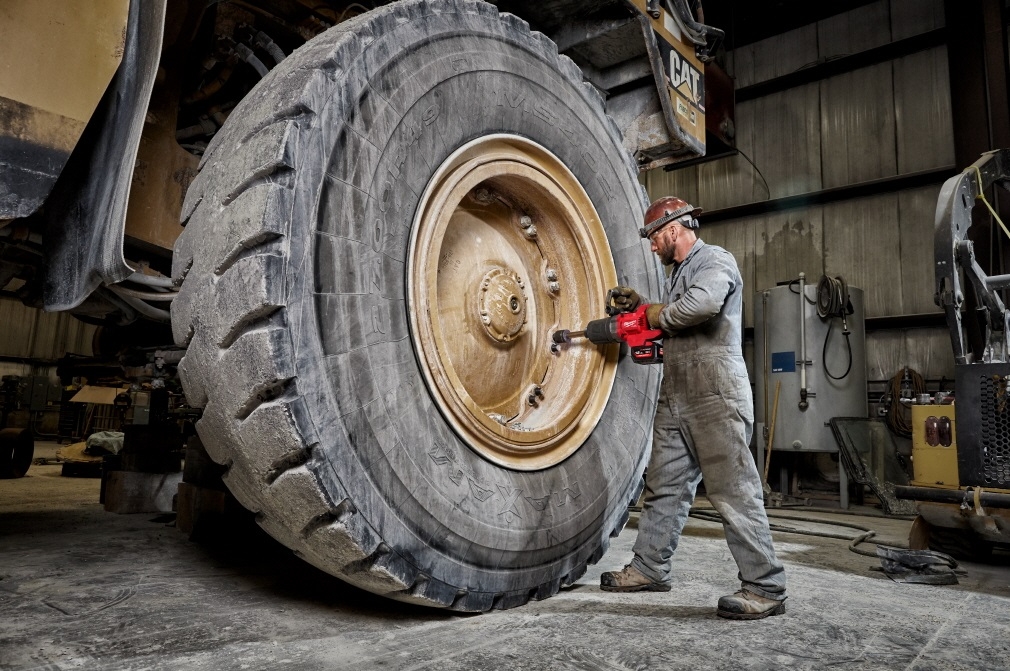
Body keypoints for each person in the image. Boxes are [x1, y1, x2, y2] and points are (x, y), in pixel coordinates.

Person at [600, 196, 787, 620]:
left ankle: (765, 587)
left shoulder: (714, 260)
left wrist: (651, 313)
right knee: (664, 486)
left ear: (671, 230)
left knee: (734, 492)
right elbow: (671, 316)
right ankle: (649, 568)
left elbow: (702, 307)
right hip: (678, 394)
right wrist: (643, 305)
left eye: (652, 238)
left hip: (715, 395)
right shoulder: (679, 275)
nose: (651, 247)